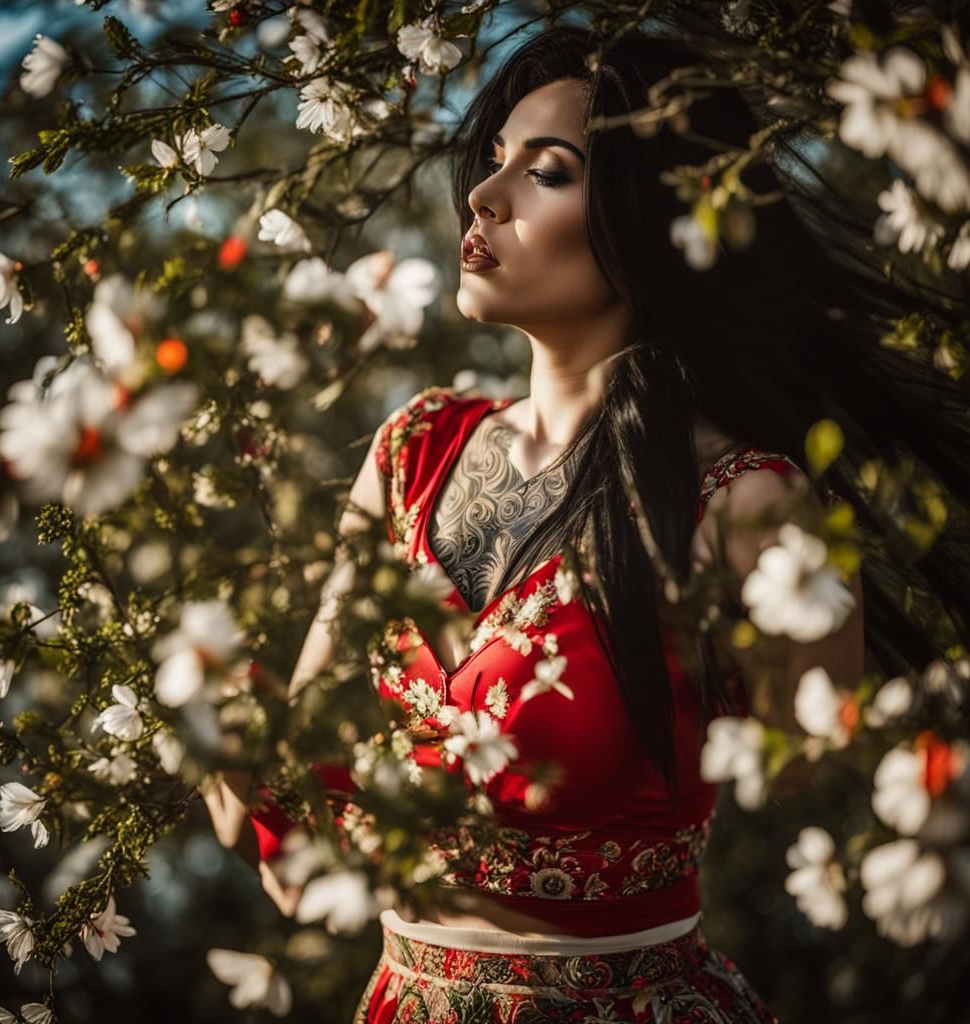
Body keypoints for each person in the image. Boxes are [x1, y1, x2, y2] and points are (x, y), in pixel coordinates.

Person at [204, 20, 970, 1023]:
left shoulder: (743, 499)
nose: (484, 196)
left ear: (643, 222)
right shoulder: (411, 450)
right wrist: (223, 738)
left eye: (547, 173)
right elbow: (300, 767)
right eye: (492, 164)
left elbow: (812, 766)